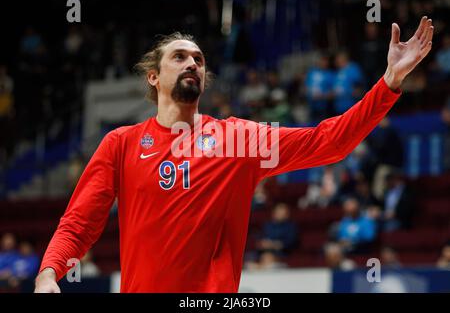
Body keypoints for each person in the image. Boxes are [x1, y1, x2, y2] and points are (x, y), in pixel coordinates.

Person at [35, 17, 434, 293]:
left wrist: (389, 82)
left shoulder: (237, 140)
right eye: (179, 57)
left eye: (199, 59)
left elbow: (329, 142)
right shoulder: (120, 144)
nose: (192, 62)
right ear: (153, 77)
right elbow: (78, 223)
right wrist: (48, 274)